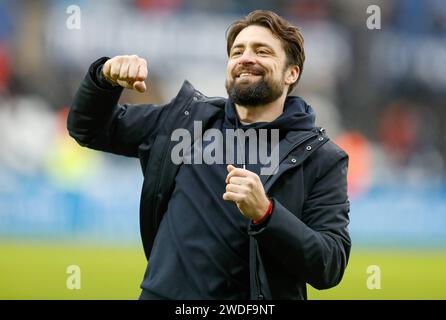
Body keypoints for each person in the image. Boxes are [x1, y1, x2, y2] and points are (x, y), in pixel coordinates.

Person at [68, 10, 351, 300]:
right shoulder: (184, 121)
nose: (246, 58)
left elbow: (329, 264)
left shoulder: (320, 158)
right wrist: (103, 79)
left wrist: (267, 214)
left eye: (262, 51)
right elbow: (87, 129)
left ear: (292, 73)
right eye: (237, 51)